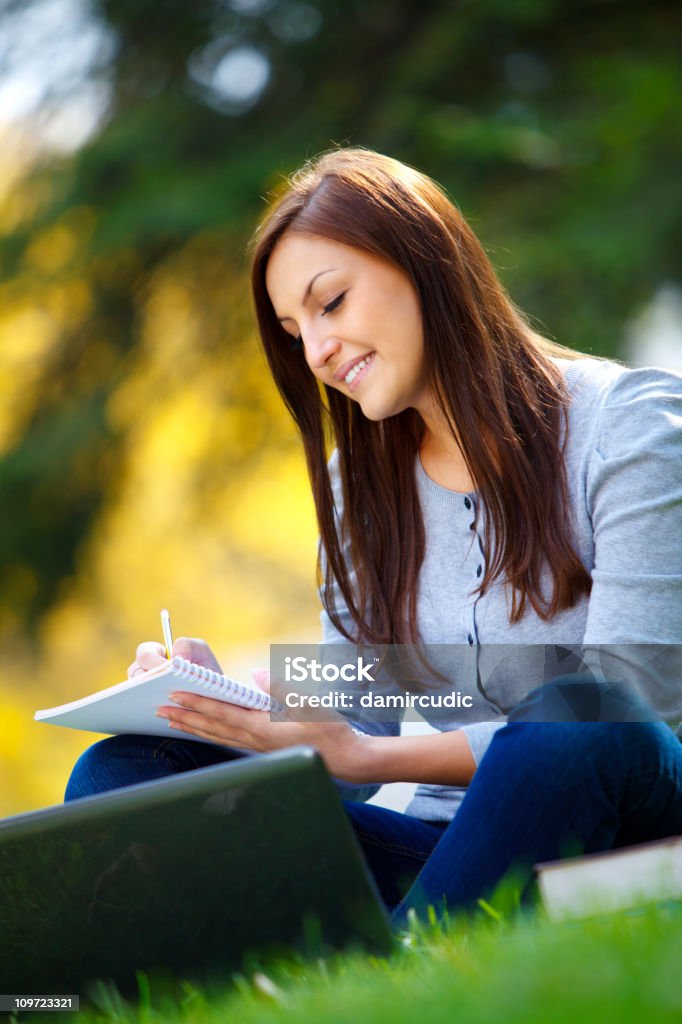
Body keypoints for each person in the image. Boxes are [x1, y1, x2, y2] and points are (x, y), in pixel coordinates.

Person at [65, 148, 682, 928]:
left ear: (426, 261)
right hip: (447, 850)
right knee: (126, 768)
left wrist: (368, 759)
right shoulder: (359, 491)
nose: (317, 351)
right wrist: (220, 702)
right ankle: (408, 937)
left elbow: (639, 702)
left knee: (580, 715)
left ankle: (394, 964)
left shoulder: (630, 423)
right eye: (294, 332)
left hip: (633, 833)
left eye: (332, 303)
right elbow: (356, 725)